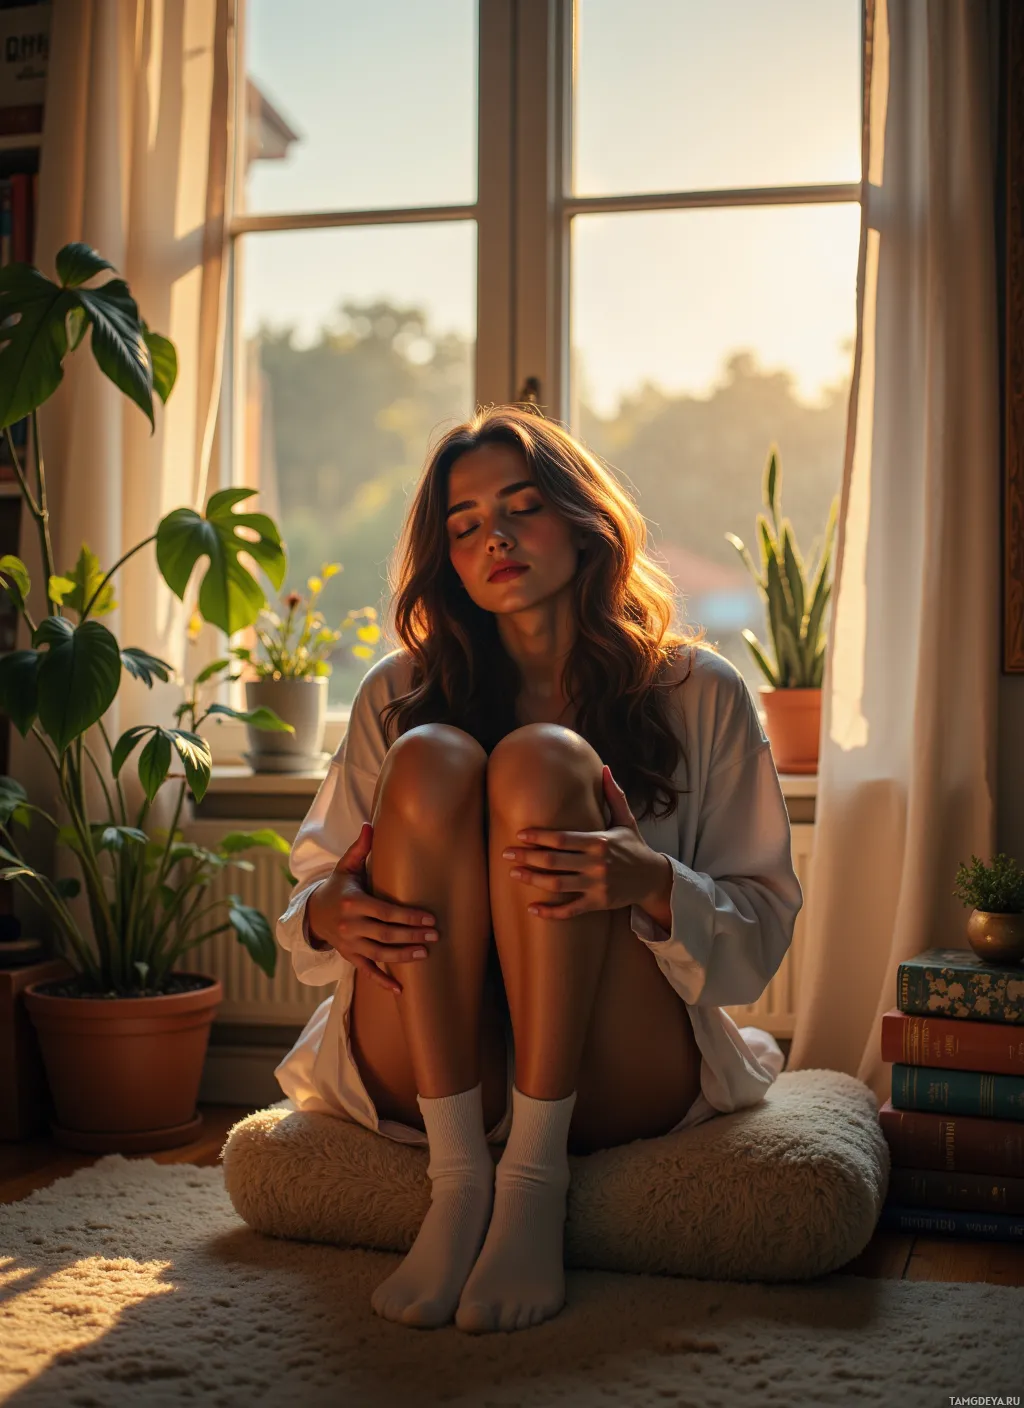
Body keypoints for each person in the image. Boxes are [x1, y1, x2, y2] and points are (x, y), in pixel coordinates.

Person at [274, 404, 803, 1335]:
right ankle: (459, 1183)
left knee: (542, 761)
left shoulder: (698, 690)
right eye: (467, 525)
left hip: (610, 1063)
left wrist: (650, 885)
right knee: (435, 755)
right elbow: (315, 897)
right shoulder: (396, 692)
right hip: (437, 1059)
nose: (496, 539)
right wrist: (330, 915)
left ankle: (532, 1182)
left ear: (584, 520)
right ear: (448, 557)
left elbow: (758, 939)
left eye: (522, 508)